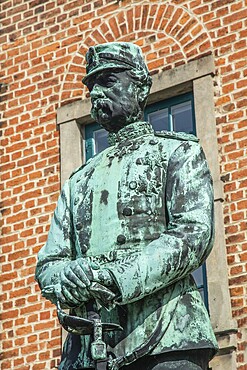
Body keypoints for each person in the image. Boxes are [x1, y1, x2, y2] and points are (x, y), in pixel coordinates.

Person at [35, 42, 218, 370]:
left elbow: (193, 233)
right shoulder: (78, 181)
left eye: (108, 82)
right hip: (90, 348)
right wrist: (69, 276)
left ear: (141, 87)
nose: (96, 94)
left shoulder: (176, 153)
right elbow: (49, 263)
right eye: (92, 87)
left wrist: (118, 278)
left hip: (168, 333)